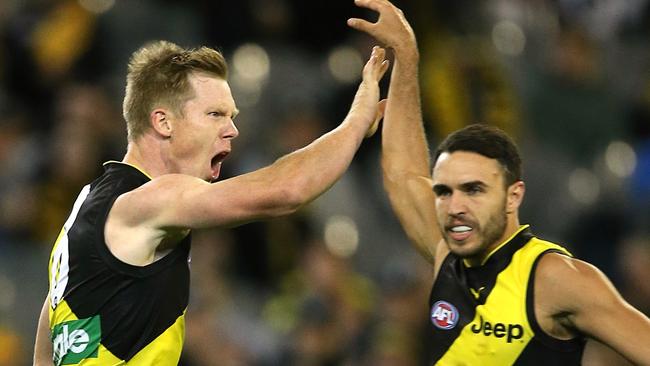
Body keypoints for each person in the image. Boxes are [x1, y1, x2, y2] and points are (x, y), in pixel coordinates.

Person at [33, 39, 389, 365]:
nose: (232, 129)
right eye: (215, 114)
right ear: (163, 122)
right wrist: (357, 120)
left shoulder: (89, 204)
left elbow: (49, 323)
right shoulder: (151, 199)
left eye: (231, 116)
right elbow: (287, 189)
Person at [348, 0, 650, 365]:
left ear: (513, 196)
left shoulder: (554, 278)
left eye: (474, 190)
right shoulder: (447, 255)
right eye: (444, 191)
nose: (456, 205)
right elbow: (403, 173)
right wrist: (407, 59)